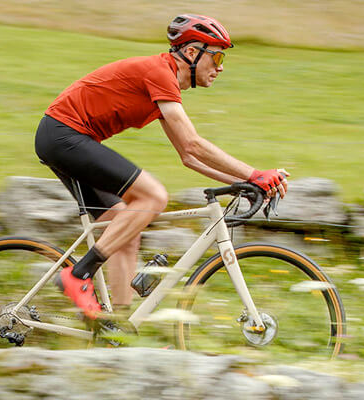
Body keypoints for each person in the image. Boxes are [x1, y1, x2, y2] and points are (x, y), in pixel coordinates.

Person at [35, 14, 289, 320]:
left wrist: (243, 184)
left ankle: (117, 328)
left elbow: (188, 156)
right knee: (153, 197)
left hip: (64, 138)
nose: (220, 66)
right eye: (217, 56)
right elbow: (194, 144)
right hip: (65, 136)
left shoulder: (164, 85)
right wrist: (254, 173)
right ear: (192, 53)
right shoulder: (160, 73)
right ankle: (79, 275)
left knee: (127, 229)